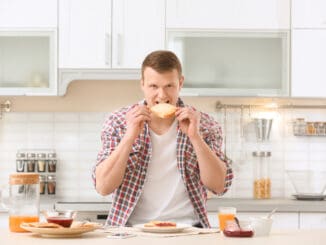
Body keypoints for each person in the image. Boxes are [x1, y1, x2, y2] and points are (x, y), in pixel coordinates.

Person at [92, 50, 233, 228]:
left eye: (169, 86)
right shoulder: (118, 122)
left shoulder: (204, 124)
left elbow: (219, 186)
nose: (162, 95)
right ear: (142, 84)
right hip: (131, 231)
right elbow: (103, 187)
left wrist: (196, 138)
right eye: (153, 86)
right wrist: (129, 137)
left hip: (189, 231)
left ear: (180, 83)